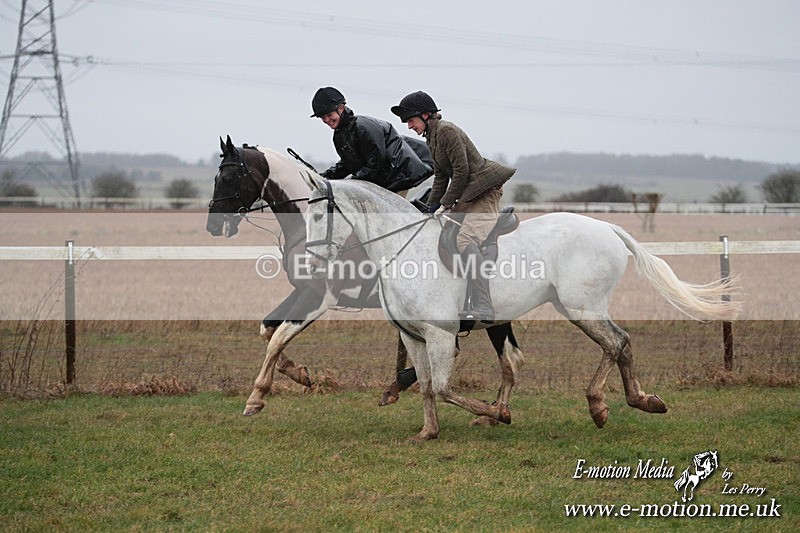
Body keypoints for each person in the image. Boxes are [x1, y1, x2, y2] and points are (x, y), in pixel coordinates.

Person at [391, 91, 515, 322]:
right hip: (468, 193)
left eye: (411, 120)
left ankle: (483, 304)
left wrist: (446, 203)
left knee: (465, 240)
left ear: (426, 115)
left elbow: (462, 171)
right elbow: (440, 176)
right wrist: (430, 207)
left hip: (485, 191)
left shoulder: (446, 131)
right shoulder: (432, 136)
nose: (408, 126)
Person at [310, 87, 432, 197]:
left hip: (400, 177)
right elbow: (347, 164)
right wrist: (322, 178)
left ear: (341, 108)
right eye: (322, 117)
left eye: (329, 115)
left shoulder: (363, 127)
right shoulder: (340, 135)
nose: (326, 120)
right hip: (384, 181)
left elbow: (375, 164)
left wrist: (350, 183)